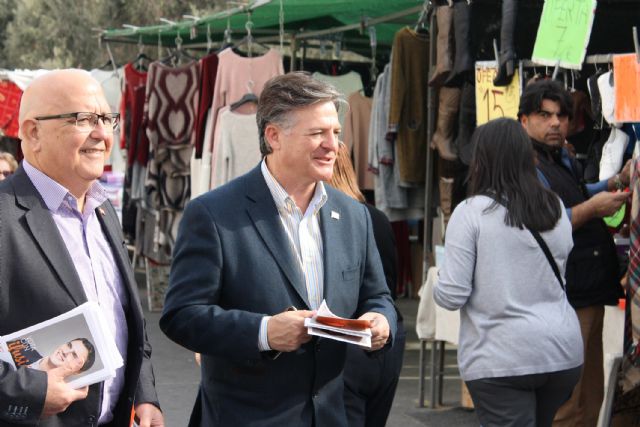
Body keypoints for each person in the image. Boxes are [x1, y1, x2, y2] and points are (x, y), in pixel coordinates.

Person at [160, 71, 397, 427]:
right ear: (273, 136)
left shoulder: (354, 216)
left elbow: (377, 295)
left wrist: (381, 321)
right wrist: (264, 332)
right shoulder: (213, 214)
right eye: (317, 133)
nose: (332, 145)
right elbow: (181, 315)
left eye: (335, 132)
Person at [0, 69, 164, 427]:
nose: (102, 133)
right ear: (33, 132)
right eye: (84, 119)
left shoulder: (103, 210)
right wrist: (27, 391)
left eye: (106, 119)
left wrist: (144, 394)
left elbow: (125, 319)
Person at [434, 118, 584, 426]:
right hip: (561, 352)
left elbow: (451, 295)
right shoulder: (554, 207)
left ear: (481, 161)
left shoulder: (470, 213)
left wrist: (437, 278)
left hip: (501, 358)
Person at [518, 79, 629, 427]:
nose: (555, 123)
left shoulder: (559, 157)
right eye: (545, 115)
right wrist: (594, 208)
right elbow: (547, 222)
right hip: (564, 297)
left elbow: (577, 193)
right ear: (524, 120)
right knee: (567, 400)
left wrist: (613, 183)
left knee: (591, 395)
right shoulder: (526, 165)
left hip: (588, 287)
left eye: (561, 116)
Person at [328, 142, 405, 427]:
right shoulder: (377, 218)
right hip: (386, 335)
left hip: (346, 338)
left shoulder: (330, 220)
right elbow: (390, 283)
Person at [27, 339, 96, 375]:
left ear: (77, 372)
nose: (65, 352)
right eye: (69, 345)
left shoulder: (49, 396)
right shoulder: (24, 347)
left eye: (74, 355)